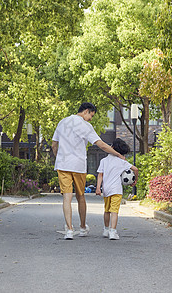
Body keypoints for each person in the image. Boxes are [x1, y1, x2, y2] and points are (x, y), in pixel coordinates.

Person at [52, 103, 126, 240]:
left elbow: (54, 144)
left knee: (66, 197)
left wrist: (59, 157)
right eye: (91, 115)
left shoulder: (62, 122)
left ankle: (69, 230)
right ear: (86, 111)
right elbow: (102, 145)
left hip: (62, 165)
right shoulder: (85, 126)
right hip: (78, 166)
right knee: (80, 196)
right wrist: (118, 155)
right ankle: (82, 227)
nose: (91, 119)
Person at [95, 138, 138, 240]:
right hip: (117, 190)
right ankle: (113, 232)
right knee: (114, 211)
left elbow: (100, 175)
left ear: (112, 148)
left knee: (107, 210)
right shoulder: (121, 162)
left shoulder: (103, 161)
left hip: (106, 189)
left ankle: (106, 230)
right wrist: (134, 180)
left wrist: (98, 188)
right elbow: (135, 169)